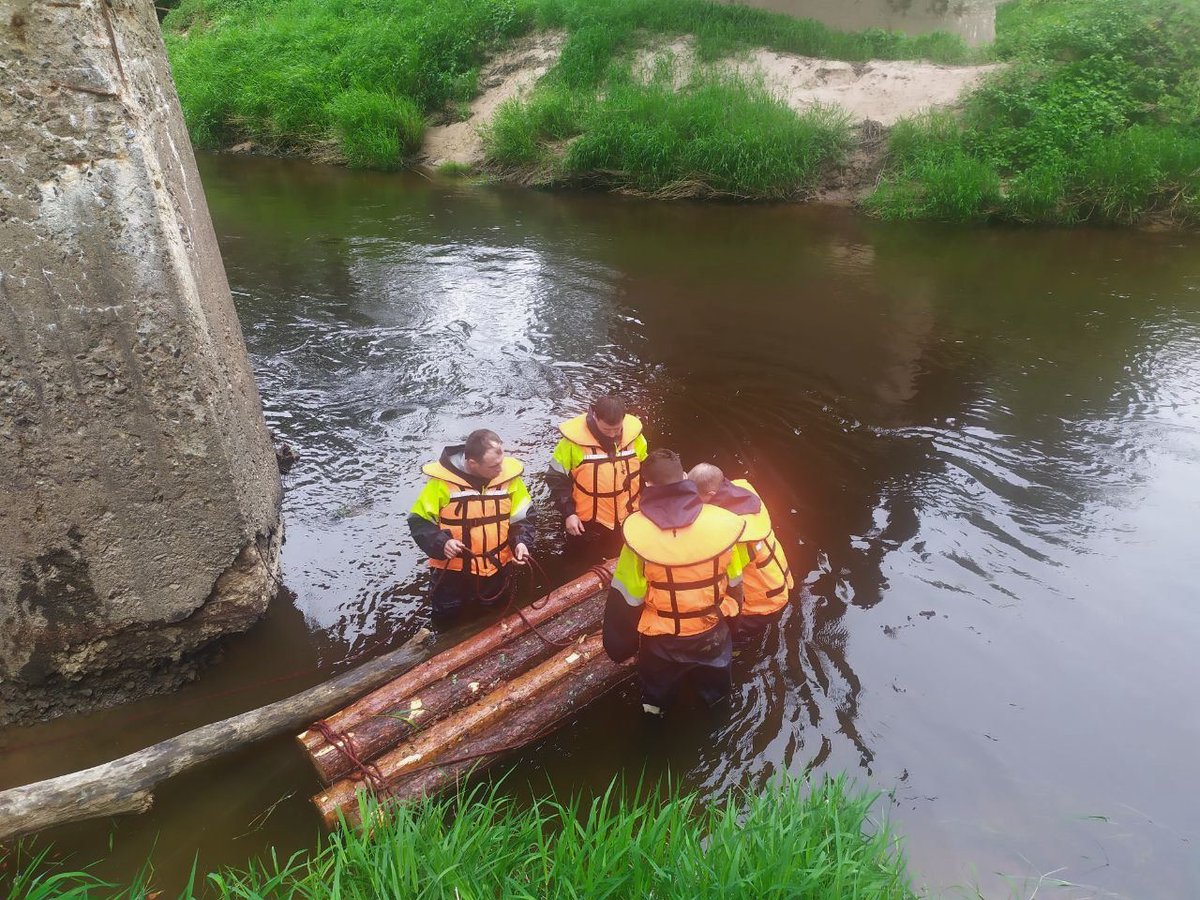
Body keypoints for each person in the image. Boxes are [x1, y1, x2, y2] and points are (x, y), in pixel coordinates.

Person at [601, 449, 745, 715]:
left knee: (657, 691)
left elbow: (627, 599)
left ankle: (654, 722)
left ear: (647, 484)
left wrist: (621, 646)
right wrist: (732, 624)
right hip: (711, 629)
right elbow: (735, 584)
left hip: (663, 638)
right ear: (684, 476)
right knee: (715, 690)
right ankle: (715, 715)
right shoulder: (723, 526)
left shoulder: (637, 537)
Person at [408, 429, 534, 627]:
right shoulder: (440, 484)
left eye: (501, 461)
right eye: (494, 466)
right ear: (472, 464)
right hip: (453, 577)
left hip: (497, 571)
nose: (501, 470)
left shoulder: (510, 480)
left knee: (497, 618)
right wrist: (442, 543)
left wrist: (521, 542)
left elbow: (523, 518)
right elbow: (419, 521)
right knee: (447, 622)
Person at [688, 463, 794, 644]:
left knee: (732, 641)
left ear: (711, 494)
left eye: (694, 496)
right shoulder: (741, 491)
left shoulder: (733, 533)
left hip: (761, 605)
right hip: (778, 583)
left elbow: (729, 579)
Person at [547, 395, 648, 559]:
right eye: (607, 430)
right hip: (587, 522)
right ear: (594, 416)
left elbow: (645, 472)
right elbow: (556, 479)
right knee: (579, 561)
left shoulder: (636, 438)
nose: (612, 435)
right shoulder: (571, 444)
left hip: (628, 516)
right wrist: (569, 514)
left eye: (617, 429)